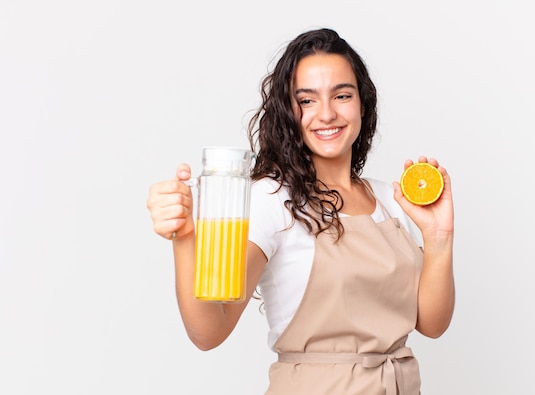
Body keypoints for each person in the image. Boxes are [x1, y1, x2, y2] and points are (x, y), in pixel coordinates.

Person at [146, 27, 455, 394]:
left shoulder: (391, 199)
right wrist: (184, 239)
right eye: (306, 100)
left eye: (342, 95)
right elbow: (210, 332)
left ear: (362, 104)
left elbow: (431, 324)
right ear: (287, 112)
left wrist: (439, 239)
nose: (326, 114)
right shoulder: (272, 200)